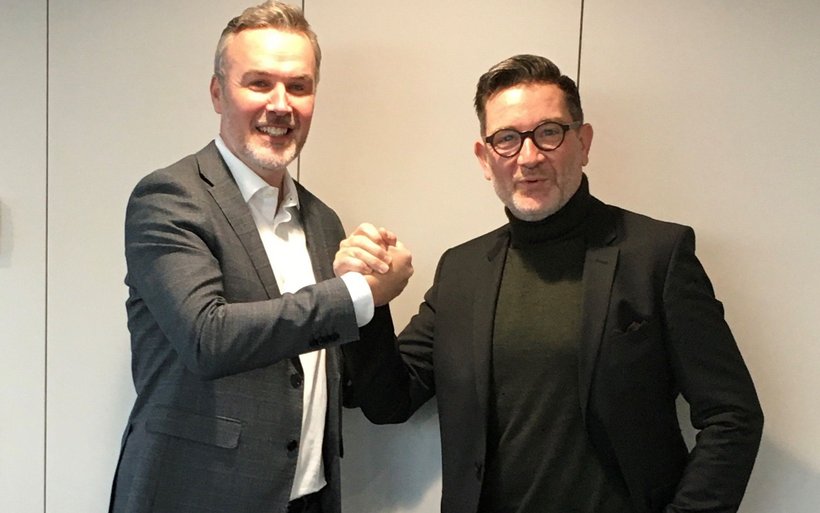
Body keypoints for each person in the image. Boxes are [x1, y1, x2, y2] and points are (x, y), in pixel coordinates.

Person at [334, 54, 763, 513]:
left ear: (583, 142)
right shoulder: (461, 270)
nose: (529, 157)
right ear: (484, 158)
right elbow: (389, 402)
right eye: (507, 139)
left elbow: (732, 415)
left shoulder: (656, 255)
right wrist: (368, 299)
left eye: (549, 132)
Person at [109, 2, 412, 513]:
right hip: (195, 498)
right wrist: (356, 294)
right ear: (217, 92)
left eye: (299, 86)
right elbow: (208, 338)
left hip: (308, 499)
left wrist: (372, 286)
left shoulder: (324, 221)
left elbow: (355, 382)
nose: (281, 105)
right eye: (259, 83)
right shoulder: (169, 198)